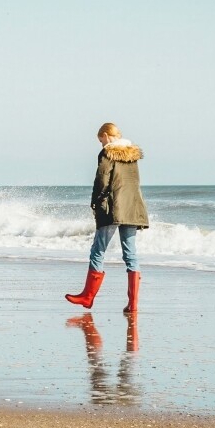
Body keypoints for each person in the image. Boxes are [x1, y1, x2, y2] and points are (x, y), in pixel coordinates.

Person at [65, 122, 149, 312]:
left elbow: (102, 179)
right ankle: (133, 304)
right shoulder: (132, 155)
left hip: (112, 207)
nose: (101, 144)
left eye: (101, 139)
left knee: (98, 249)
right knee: (130, 254)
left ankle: (87, 297)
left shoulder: (108, 152)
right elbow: (133, 182)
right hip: (133, 207)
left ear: (106, 135)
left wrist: (95, 202)